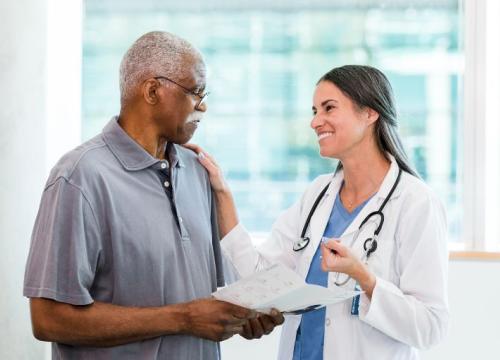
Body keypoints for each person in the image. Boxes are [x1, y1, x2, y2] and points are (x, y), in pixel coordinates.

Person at [23, 31, 283, 360]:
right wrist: (183, 318)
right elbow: (48, 319)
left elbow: (216, 298)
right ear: (152, 90)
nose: (203, 106)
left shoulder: (198, 172)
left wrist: (246, 316)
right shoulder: (79, 177)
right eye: (196, 92)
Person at [186, 65, 449, 360]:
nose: (315, 122)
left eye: (328, 108)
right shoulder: (318, 194)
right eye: (314, 111)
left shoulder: (416, 203)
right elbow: (259, 275)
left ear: (370, 113)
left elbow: (430, 326)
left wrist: (364, 278)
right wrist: (222, 192)